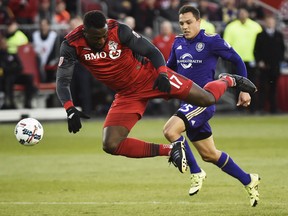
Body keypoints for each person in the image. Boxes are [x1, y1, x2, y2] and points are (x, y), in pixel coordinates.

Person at [55, 10, 256, 185]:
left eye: (103, 36)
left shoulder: (119, 30)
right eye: (96, 38)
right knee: (111, 144)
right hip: (127, 94)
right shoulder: (72, 44)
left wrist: (161, 72)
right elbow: (63, 80)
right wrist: (70, 108)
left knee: (206, 99)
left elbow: (152, 50)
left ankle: (228, 80)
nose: (101, 41)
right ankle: (172, 150)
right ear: (85, 32)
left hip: (150, 77)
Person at [163, 5, 260, 207]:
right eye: (182, 23)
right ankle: (248, 179)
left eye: (189, 22)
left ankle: (196, 172)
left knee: (170, 130)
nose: (185, 27)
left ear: (199, 22)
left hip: (203, 102)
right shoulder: (178, 43)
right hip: (186, 105)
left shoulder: (211, 41)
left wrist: (245, 89)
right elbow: (168, 69)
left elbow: (237, 60)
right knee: (210, 154)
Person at [223, 7, 262, 113]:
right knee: (236, 84)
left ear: (248, 14)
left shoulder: (256, 26)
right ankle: (239, 107)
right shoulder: (231, 27)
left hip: (251, 59)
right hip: (236, 60)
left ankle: (253, 107)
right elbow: (226, 44)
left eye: (244, 12)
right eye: (240, 13)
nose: (242, 14)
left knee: (252, 84)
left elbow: (261, 43)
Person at [254, 15, 286, 114]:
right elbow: (256, 50)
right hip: (264, 66)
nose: (270, 23)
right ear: (265, 23)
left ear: (275, 23)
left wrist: (279, 61)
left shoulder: (278, 35)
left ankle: (273, 109)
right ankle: (261, 109)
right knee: (262, 88)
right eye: (268, 21)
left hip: (275, 66)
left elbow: (282, 49)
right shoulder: (260, 35)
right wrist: (259, 61)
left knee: (273, 88)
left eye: (272, 22)